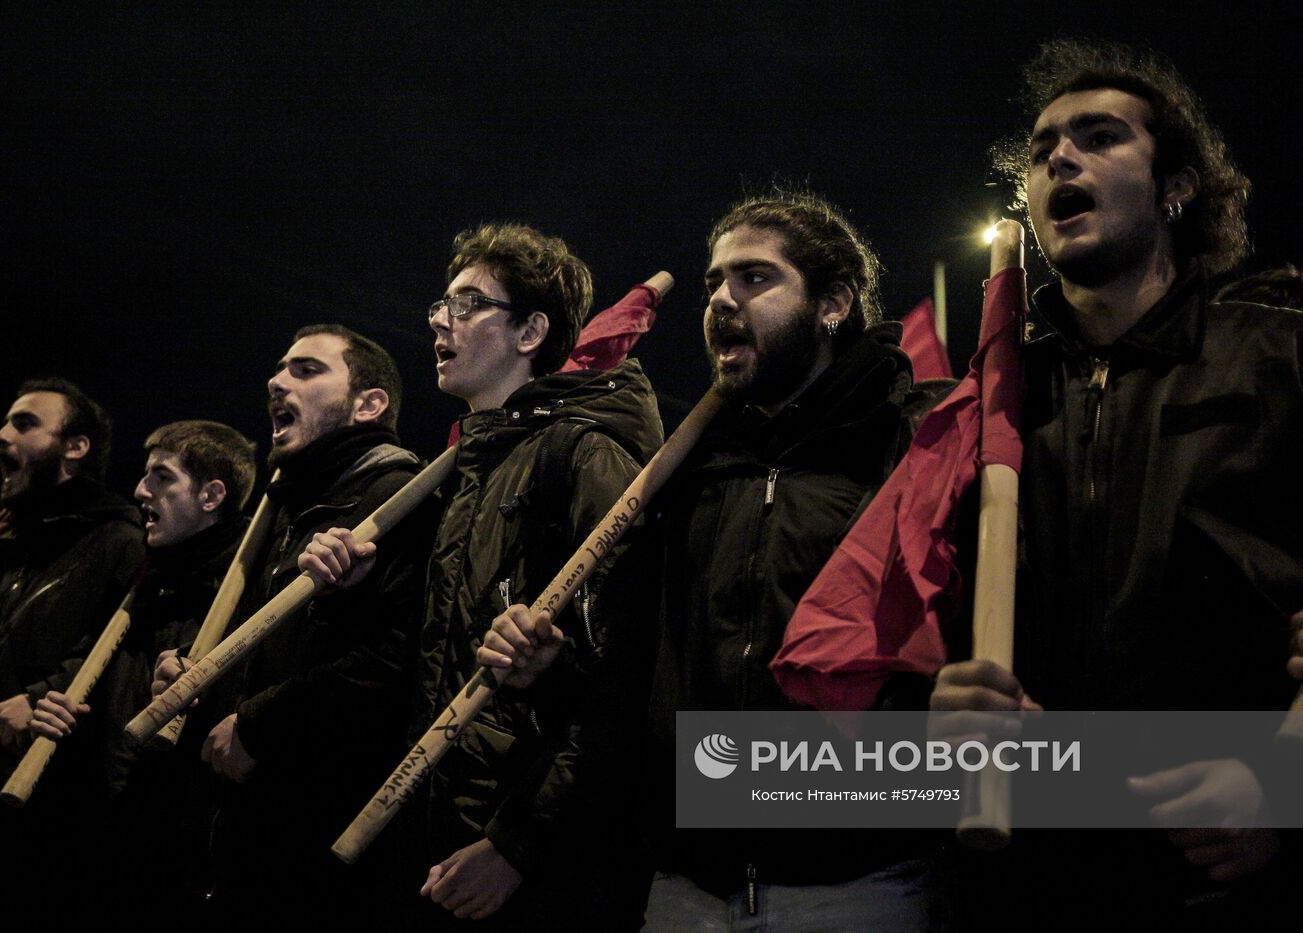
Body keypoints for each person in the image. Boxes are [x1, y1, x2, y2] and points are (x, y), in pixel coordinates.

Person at [930, 39, 1303, 930]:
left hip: (1240, 886)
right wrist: (936, 709)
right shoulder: (982, 400)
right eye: (1043, 146)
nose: (1060, 156)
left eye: (1099, 137)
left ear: (1177, 188)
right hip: (1028, 886)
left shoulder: (1297, 352)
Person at [480, 193, 953, 931]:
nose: (724, 300)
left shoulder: (910, 443)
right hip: (684, 890)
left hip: (856, 886)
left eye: (756, 279)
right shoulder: (687, 467)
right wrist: (553, 669)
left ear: (833, 303)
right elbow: (640, 677)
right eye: (714, 283)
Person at [303, 224, 663, 929]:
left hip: (525, 866)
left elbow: (629, 681)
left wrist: (520, 843)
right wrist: (350, 595)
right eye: (443, 303)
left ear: (531, 330)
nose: (440, 318)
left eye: (467, 304)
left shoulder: (585, 456)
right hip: (432, 843)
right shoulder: (465, 474)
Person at [156, 324, 433, 924]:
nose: (277, 381)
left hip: (309, 854)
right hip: (229, 839)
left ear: (368, 403)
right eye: (281, 368)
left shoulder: (399, 497)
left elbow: (397, 659)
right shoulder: (284, 506)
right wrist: (195, 675)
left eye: (307, 370)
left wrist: (261, 726)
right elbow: (266, 647)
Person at [27, 419, 255, 906]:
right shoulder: (148, 580)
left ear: (212, 496)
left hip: (175, 853)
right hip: (108, 829)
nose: (140, 489)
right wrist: (47, 704)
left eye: (162, 477)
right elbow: (90, 667)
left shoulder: (242, 593)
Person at [0, 377, 145, 913]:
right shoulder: (14, 544)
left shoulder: (119, 538)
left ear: (76, 447)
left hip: (54, 803)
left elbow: (122, 647)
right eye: (5, 422)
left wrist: (46, 693)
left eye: (25, 424)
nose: (2, 435)